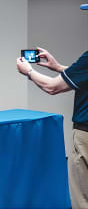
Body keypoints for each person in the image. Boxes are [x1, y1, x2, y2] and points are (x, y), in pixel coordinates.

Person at [17, 47, 88, 209]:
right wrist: (58, 67)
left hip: (86, 136)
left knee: (82, 198)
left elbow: (53, 87)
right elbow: (82, 74)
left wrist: (29, 71)